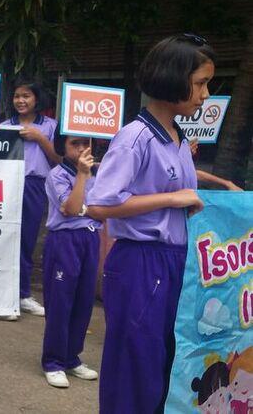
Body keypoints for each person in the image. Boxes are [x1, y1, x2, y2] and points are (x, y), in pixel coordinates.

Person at [87, 33, 212, 413]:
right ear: (174, 78)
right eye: (201, 83)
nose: (205, 95)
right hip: (141, 263)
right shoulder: (135, 137)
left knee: (167, 364)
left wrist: (211, 191)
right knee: (135, 366)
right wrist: (173, 199)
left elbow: (178, 193)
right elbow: (99, 204)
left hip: (175, 262)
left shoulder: (177, 137)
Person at [40, 135, 100, 388]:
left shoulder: (97, 173)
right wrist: (83, 175)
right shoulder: (57, 175)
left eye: (86, 143)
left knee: (84, 301)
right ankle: (53, 361)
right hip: (65, 240)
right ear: (62, 147)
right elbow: (71, 208)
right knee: (61, 301)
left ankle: (71, 357)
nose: (82, 149)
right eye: (75, 144)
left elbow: (102, 209)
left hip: (90, 238)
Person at [0, 81, 60, 318]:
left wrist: (40, 138)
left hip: (34, 185)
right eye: (17, 96)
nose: (20, 101)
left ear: (37, 99)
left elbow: (59, 159)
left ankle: (22, 295)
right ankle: (1, 296)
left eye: (26, 96)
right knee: (3, 237)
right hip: (5, 185)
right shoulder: (4, 127)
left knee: (26, 239)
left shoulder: (51, 126)